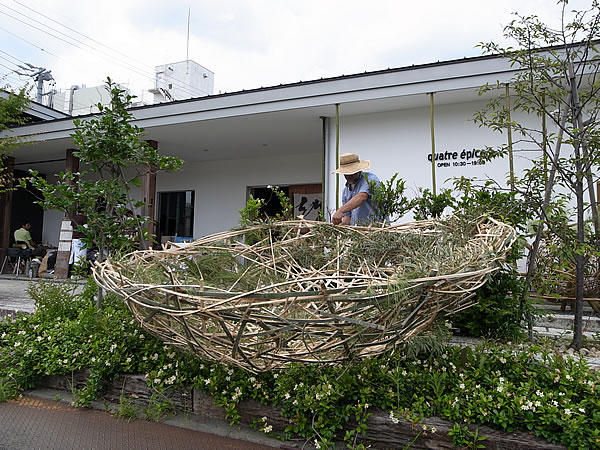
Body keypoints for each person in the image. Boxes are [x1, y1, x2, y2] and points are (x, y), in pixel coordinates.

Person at [331, 153, 382, 226]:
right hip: (360, 233)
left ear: (358, 170)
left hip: (375, 229)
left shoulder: (370, 179)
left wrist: (340, 211)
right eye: (346, 173)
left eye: (352, 173)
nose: (349, 176)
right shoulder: (346, 191)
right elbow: (347, 219)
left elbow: (362, 197)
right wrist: (339, 226)